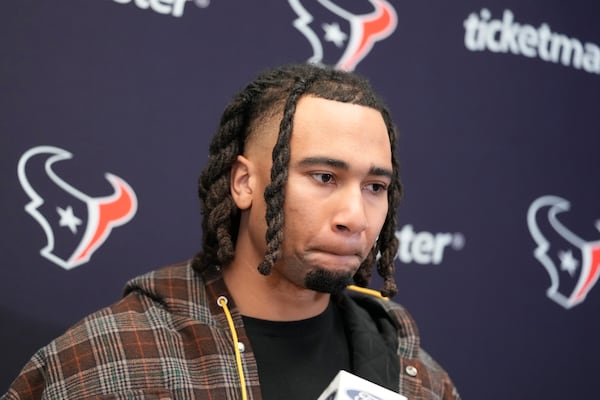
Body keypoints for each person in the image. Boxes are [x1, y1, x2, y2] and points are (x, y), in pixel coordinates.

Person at [3, 64, 460, 400]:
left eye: (375, 186)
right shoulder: (111, 358)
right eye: (324, 177)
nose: (355, 216)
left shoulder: (417, 378)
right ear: (244, 183)